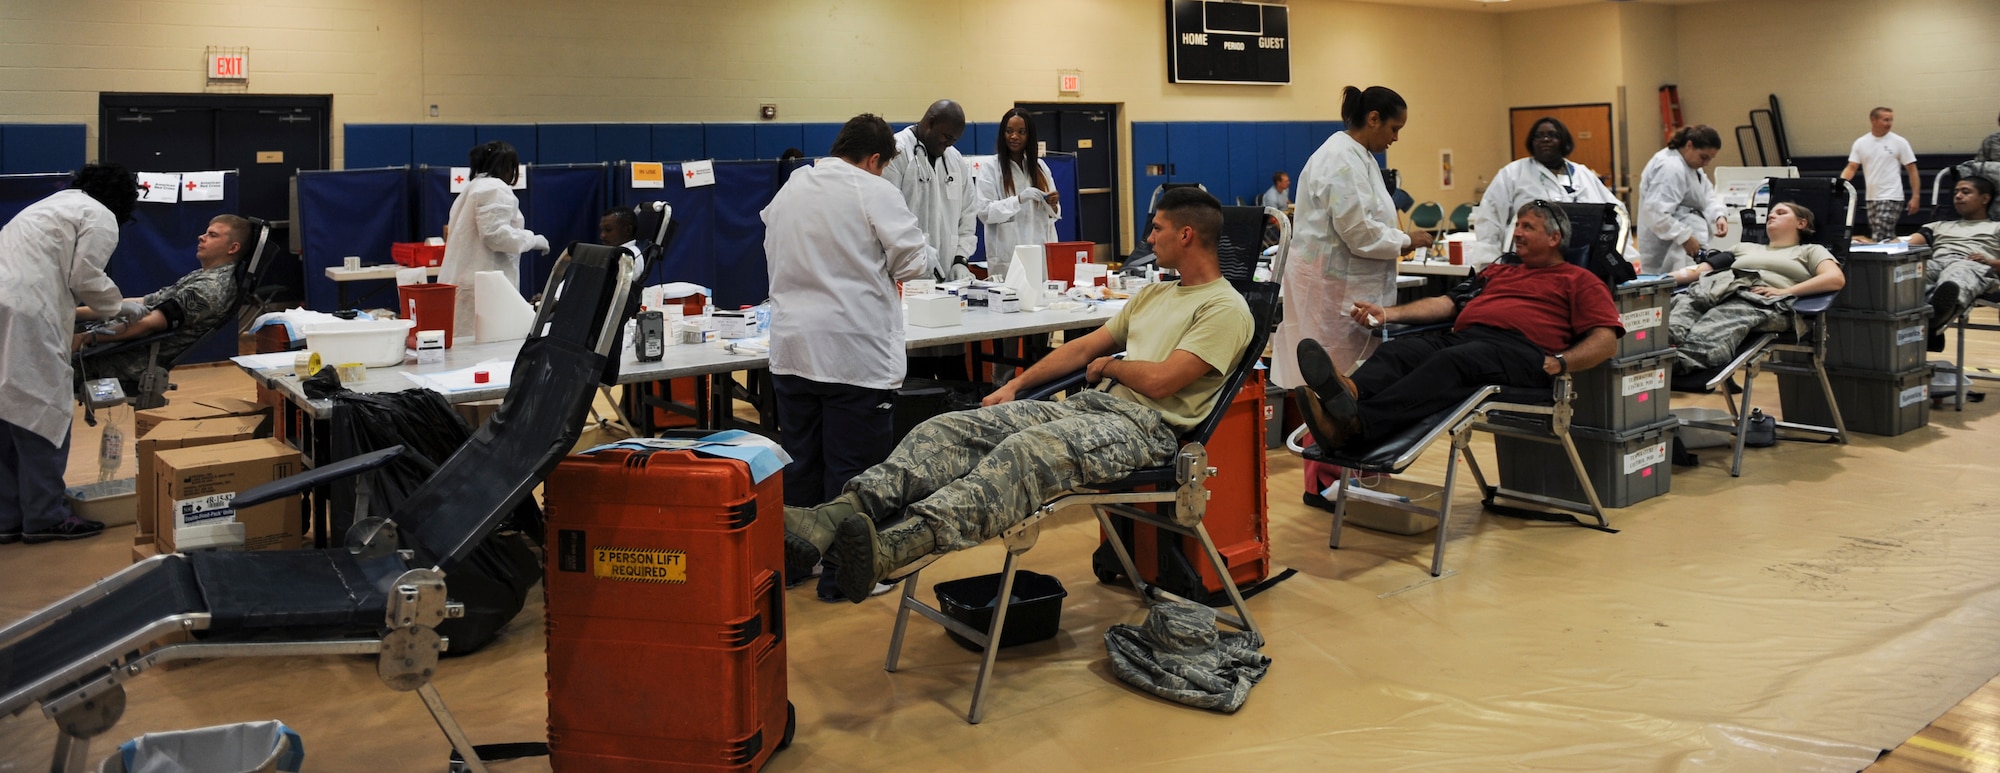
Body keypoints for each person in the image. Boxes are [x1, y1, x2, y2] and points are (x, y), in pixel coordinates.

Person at [781, 187, 1253, 603]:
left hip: (1147, 429)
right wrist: (1015, 386)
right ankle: (837, 514)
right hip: (1093, 409)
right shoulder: (1154, 296)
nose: (1149, 239)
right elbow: (1083, 349)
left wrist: (1110, 367)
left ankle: (896, 548)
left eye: (1157, 228)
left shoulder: (1225, 308)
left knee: (1025, 454)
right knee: (951, 428)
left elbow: (1164, 381)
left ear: (1187, 234)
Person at [765, 115, 936, 602]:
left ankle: (795, 566)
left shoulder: (792, 188)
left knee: (799, 465)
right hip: (853, 356)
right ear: (875, 159)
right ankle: (844, 578)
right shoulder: (872, 189)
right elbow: (913, 262)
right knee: (854, 471)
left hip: (793, 352)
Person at [1298, 202, 1623, 449]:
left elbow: (1606, 340)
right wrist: (1388, 314)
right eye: (1518, 225)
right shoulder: (1499, 272)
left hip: (1522, 353)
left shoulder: (1579, 280)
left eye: (1528, 227)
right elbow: (1450, 304)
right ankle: (1349, 393)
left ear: (1555, 238)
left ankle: (1356, 425)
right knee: (1401, 350)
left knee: (1451, 362)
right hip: (1468, 339)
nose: (1518, 233)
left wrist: (1561, 362)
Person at [0, 163, 138, 544]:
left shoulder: (50, 205)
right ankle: (45, 517)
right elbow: (86, 276)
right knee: (41, 408)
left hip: (7, 306)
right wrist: (121, 306)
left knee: (4, 409)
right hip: (28, 314)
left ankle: (7, 515)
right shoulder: (99, 214)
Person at [1271, 85, 1434, 389]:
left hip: (1341, 286)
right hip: (1333, 291)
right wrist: (1407, 240)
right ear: (1374, 118)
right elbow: (1360, 233)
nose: (1396, 137)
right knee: (1332, 383)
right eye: (1394, 128)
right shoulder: (1340, 160)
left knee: (1342, 382)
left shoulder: (1360, 156)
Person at [1664, 202, 1846, 374]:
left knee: (1720, 318)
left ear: (1801, 223)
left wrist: (1785, 292)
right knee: (1679, 309)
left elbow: (1835, 278)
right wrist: (1660, 281)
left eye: (1781, 213)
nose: (1772, 216)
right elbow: (1701, 270)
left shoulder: (1810, 251)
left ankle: (1679, 364)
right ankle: (1655, 353)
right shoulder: (1744, 247)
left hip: (1762, 302)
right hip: (1718, 292)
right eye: (1770, 213)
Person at [74, 214, 254, 387]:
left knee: (50, 360)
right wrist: (73, 313)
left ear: (233, 248)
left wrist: (85, 338)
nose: (201, 237)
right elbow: (142, 303)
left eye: (212, 235)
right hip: (114, 343)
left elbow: (147, 324)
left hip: (123, 359)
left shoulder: (208, 289)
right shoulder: (203, 276)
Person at [1467, 117, 1621, 267]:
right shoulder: (1513, 173)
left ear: (1564, 141)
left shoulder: (1582, 174)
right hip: (1527, 261)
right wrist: (1488, 263)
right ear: (1531, 142)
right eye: (1539, 136)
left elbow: (1617, 214)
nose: (1545, 139)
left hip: (1582, 259)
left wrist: (1623, 256)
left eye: (1553, 135)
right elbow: (1490, 219)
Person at [438, 140, 549, 334]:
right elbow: (495, 235)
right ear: (507, 166)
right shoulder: (495, 188)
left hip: (472, 283)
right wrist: (532, 240)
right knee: (485, 349)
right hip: (484, 287)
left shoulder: (472, 188)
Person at [882, 99, 978, 282]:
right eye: (946, 136)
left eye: (954, 140)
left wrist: (961, 259)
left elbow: (968, 213)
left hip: (948, 277)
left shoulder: (955, 160)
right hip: (907, 275)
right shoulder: (897, 153)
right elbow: (887, 216)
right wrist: (919, 250)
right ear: (931, 122)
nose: (949, 143)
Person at [1906, 175, 2000, 338]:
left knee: (1958, 271)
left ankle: (1935, 317)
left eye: (1965, 192)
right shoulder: (1938, 226)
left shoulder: (1996, 227)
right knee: (1910, 272)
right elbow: (1905, 244)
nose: (1958, 196)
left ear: (1985, 198)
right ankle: (1930, 316)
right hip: (1938, 263)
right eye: (1956, 192)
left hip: (1974, 265)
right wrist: (1871, 243)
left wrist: (1992, 262)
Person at [973, 107, 1059, 280]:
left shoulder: (1040, 167)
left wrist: (1053, 205)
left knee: (1041, 302)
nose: (1014, 136)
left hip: (1039, 254)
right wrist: (1018, 200)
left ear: (1029, 136)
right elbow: (985, 212)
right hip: (1007, 257)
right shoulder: (990, 167)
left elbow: (1053, 216)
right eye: (1009, 131)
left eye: (1021, 132)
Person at [1637, 125, 1729, 275]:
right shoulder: (1670, 167)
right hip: (1668, 247)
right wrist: (1684, 237)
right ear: (1689, 145)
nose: (1706, 163)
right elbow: (1656, 213)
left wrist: (1719, 215)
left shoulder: (1692, 166)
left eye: (1710, 159)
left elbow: (1707, 195)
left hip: (1686, 244)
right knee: (1671, 289)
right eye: (1704, 157)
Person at [1841, 107, 1921, 243]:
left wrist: (1916, 196)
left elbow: (1912, 170)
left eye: (1891, 120)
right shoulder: (1861, 143)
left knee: (1880, 233)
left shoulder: (1899, 142)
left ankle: (1861, 244)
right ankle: (1896, 256)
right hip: (1872, 197)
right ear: (1874, 120)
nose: (1889, 123)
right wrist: (1839, 183)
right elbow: (1852, 167)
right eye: (1886, 120)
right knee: (1885, 236)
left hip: (1892, 195)